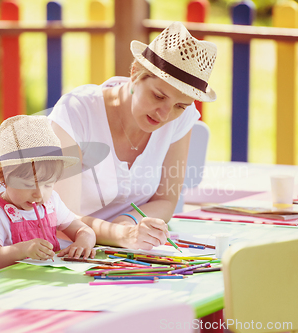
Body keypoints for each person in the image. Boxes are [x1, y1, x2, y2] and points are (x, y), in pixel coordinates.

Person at [48, 22, 217, 250]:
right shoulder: (77, 111)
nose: (165, 115)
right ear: (135, 73)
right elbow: (62, 217)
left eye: (179, 106)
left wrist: (128, 223)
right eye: (158, 96)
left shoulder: (180, 119)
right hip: (69, 254)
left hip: (131, 252)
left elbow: (166, 200)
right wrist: (121, 235)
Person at [0, 115, 96, 271]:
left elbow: (85, 230)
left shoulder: (51, 203)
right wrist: (22, 250)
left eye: (48, 184)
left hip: (48, 283)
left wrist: (83, 243)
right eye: (28, 184)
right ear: (3, 177)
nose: (39, 194)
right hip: (10, 288)